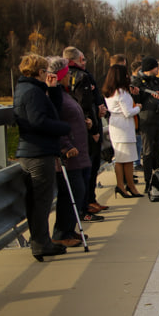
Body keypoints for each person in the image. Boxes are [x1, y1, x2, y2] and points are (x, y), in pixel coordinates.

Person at [13, 54, 72, 261]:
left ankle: (42, 241)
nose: (49, 74)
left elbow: (52, 112)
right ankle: (41, 243)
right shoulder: (33, 93)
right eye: (46, 71)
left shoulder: (27, 89)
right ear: (39, 72)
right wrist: (65, 128)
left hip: (33, 151)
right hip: (38, 152)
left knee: (39, 200)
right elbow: (39, 122)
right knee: (41, 200)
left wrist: (54, 90)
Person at [49, 57, 92, 246]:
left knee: (78, 190)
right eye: (67, 74)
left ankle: (69, 229)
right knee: (72, 192)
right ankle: (61, 233)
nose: (70, 77)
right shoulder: (55, 95)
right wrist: (65, 145)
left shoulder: (65, 93)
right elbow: (56, 122)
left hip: (79, 149)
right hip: (70, 152)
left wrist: (86, 121)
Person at [63, 46, 108, 215]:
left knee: (87, 168)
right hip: (87, 128)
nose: (85, 62)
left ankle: (89, 201)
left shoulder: (73, 78)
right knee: (90, 166)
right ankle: (87, 203)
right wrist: (95, 127)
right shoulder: (82, 77)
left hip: (81, 127)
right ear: (76, 60)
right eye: (84, 59)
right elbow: (85, 104)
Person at [102, 64, 143, 197]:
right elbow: (128, 112)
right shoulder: (122, 93)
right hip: (124, 127)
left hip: (115, 124)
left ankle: (121, 185)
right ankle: (130, 185)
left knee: (120, 159)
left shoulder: (109, 91)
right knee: (128, 159)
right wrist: (138, 107)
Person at [131, 56, 159, 194]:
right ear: (151, 68)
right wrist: (137, 95)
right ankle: (148, 181)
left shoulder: (158, 81)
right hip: (146, 120)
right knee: (147, 152)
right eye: (156, 67)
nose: (158, 70)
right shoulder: (138, 83)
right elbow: (136, 101)